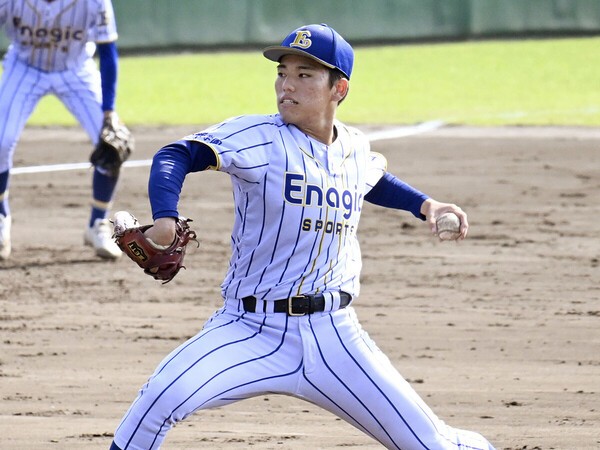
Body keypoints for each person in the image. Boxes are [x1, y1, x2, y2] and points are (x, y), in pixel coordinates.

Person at [109, 24, 496, 450]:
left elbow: (372, 177)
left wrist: (426, 205)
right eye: (282, 72)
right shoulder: (260, 138)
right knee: (160, 398)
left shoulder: (353, 146)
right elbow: (176, 154)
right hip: (249, 329)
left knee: (434, 445)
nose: (286, 85)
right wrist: (165, 218)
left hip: (336, 336)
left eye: (304, 75)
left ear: (339, 88)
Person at [0, 0, 125, 260]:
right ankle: (1, 216)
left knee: (111, 145)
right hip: (23, 67)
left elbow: (108, 51)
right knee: (1, 140)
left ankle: (97, 224)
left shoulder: (95, 2)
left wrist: (109, 111)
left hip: (76, 70)